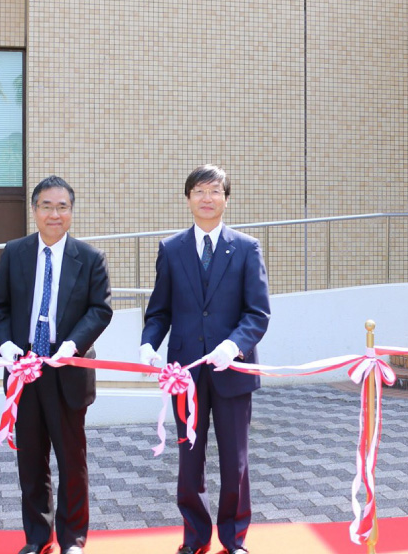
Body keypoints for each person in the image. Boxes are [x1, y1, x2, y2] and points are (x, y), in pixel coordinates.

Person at [139, 164, 271, 554]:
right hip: (185, 373)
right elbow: (159, 310)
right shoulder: (171, 248)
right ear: (188, 198)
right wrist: (148, 344)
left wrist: (233, 346)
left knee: (235, 462)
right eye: (199, 191)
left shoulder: (247, 248)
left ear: (226, 198)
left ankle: (234, 539)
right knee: (189, 460)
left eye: (214, 191)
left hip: (232, 369)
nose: (207, 198)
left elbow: (257, 313)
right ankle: (195, 538)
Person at [0, 176, 112, 554]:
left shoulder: (90, 258)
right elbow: (0, 307)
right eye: (46, 206)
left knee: (71, 460)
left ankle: (73, 538)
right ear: (34, 210)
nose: (54, 214)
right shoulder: (15, 252)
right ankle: (37, 537)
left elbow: (100, 309)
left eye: (62, 206)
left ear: (71, 212)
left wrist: (73, 345)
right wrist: (7, 345)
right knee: (31, 461)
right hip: (23, 371)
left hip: (67, 370)